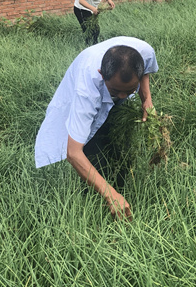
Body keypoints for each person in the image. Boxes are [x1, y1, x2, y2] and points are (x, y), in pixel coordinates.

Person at [34, 36, 158, 220]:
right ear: (101, 74)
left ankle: (120, 183)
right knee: (93, 147)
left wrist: (146, 98)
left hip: (117, 73)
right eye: (116, 91)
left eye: (130, 90)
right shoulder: (86, 90)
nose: (122, 96)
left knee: (117, 138)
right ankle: (96, 200)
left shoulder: (145, 51)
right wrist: (110, 194)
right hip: (85, 81)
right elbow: (73, 152)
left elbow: (146, 70)